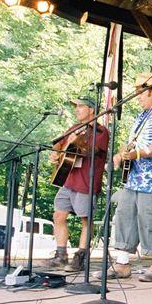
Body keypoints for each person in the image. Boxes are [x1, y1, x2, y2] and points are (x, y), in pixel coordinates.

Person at [108, 73, 152, 282]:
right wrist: (120, 154)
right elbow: (133, 144)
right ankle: (122, 263)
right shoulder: (142, 116)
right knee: (125, 215)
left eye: (140, 92)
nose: (137, 96)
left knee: (151, 218)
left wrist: (138, 154)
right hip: (134, 177)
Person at [47, 96, 110, 272]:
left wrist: (77, 141)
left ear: (91, 110)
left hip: (85, 181)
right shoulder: (74, 128)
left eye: (81, 106)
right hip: (68, 178)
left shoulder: (100, 131)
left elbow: (93, 151)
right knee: (58, 216)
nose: (77, 109)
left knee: (85, 219)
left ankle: (81, 257)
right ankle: (61, 256)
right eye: (76, 106)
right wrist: (56, 153)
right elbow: (58, 144)